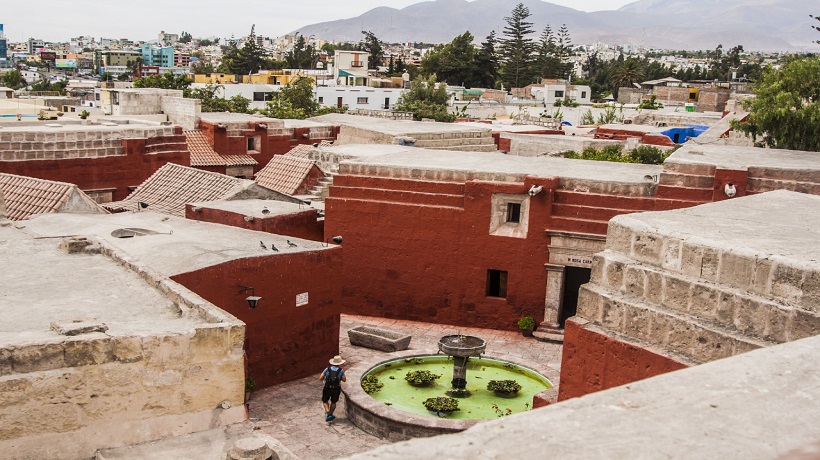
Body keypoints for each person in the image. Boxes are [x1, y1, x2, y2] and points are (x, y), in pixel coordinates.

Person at [319, 355, 347, 421]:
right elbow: (344, 380)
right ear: (339, 363)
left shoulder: (327, 369)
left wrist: (325, 377)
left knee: (325, 401)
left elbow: (320, 377)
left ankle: (328, 412)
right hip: (336, 388)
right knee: (333, 402)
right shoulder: (341, 371)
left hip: (327, 387)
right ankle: (330, 415)